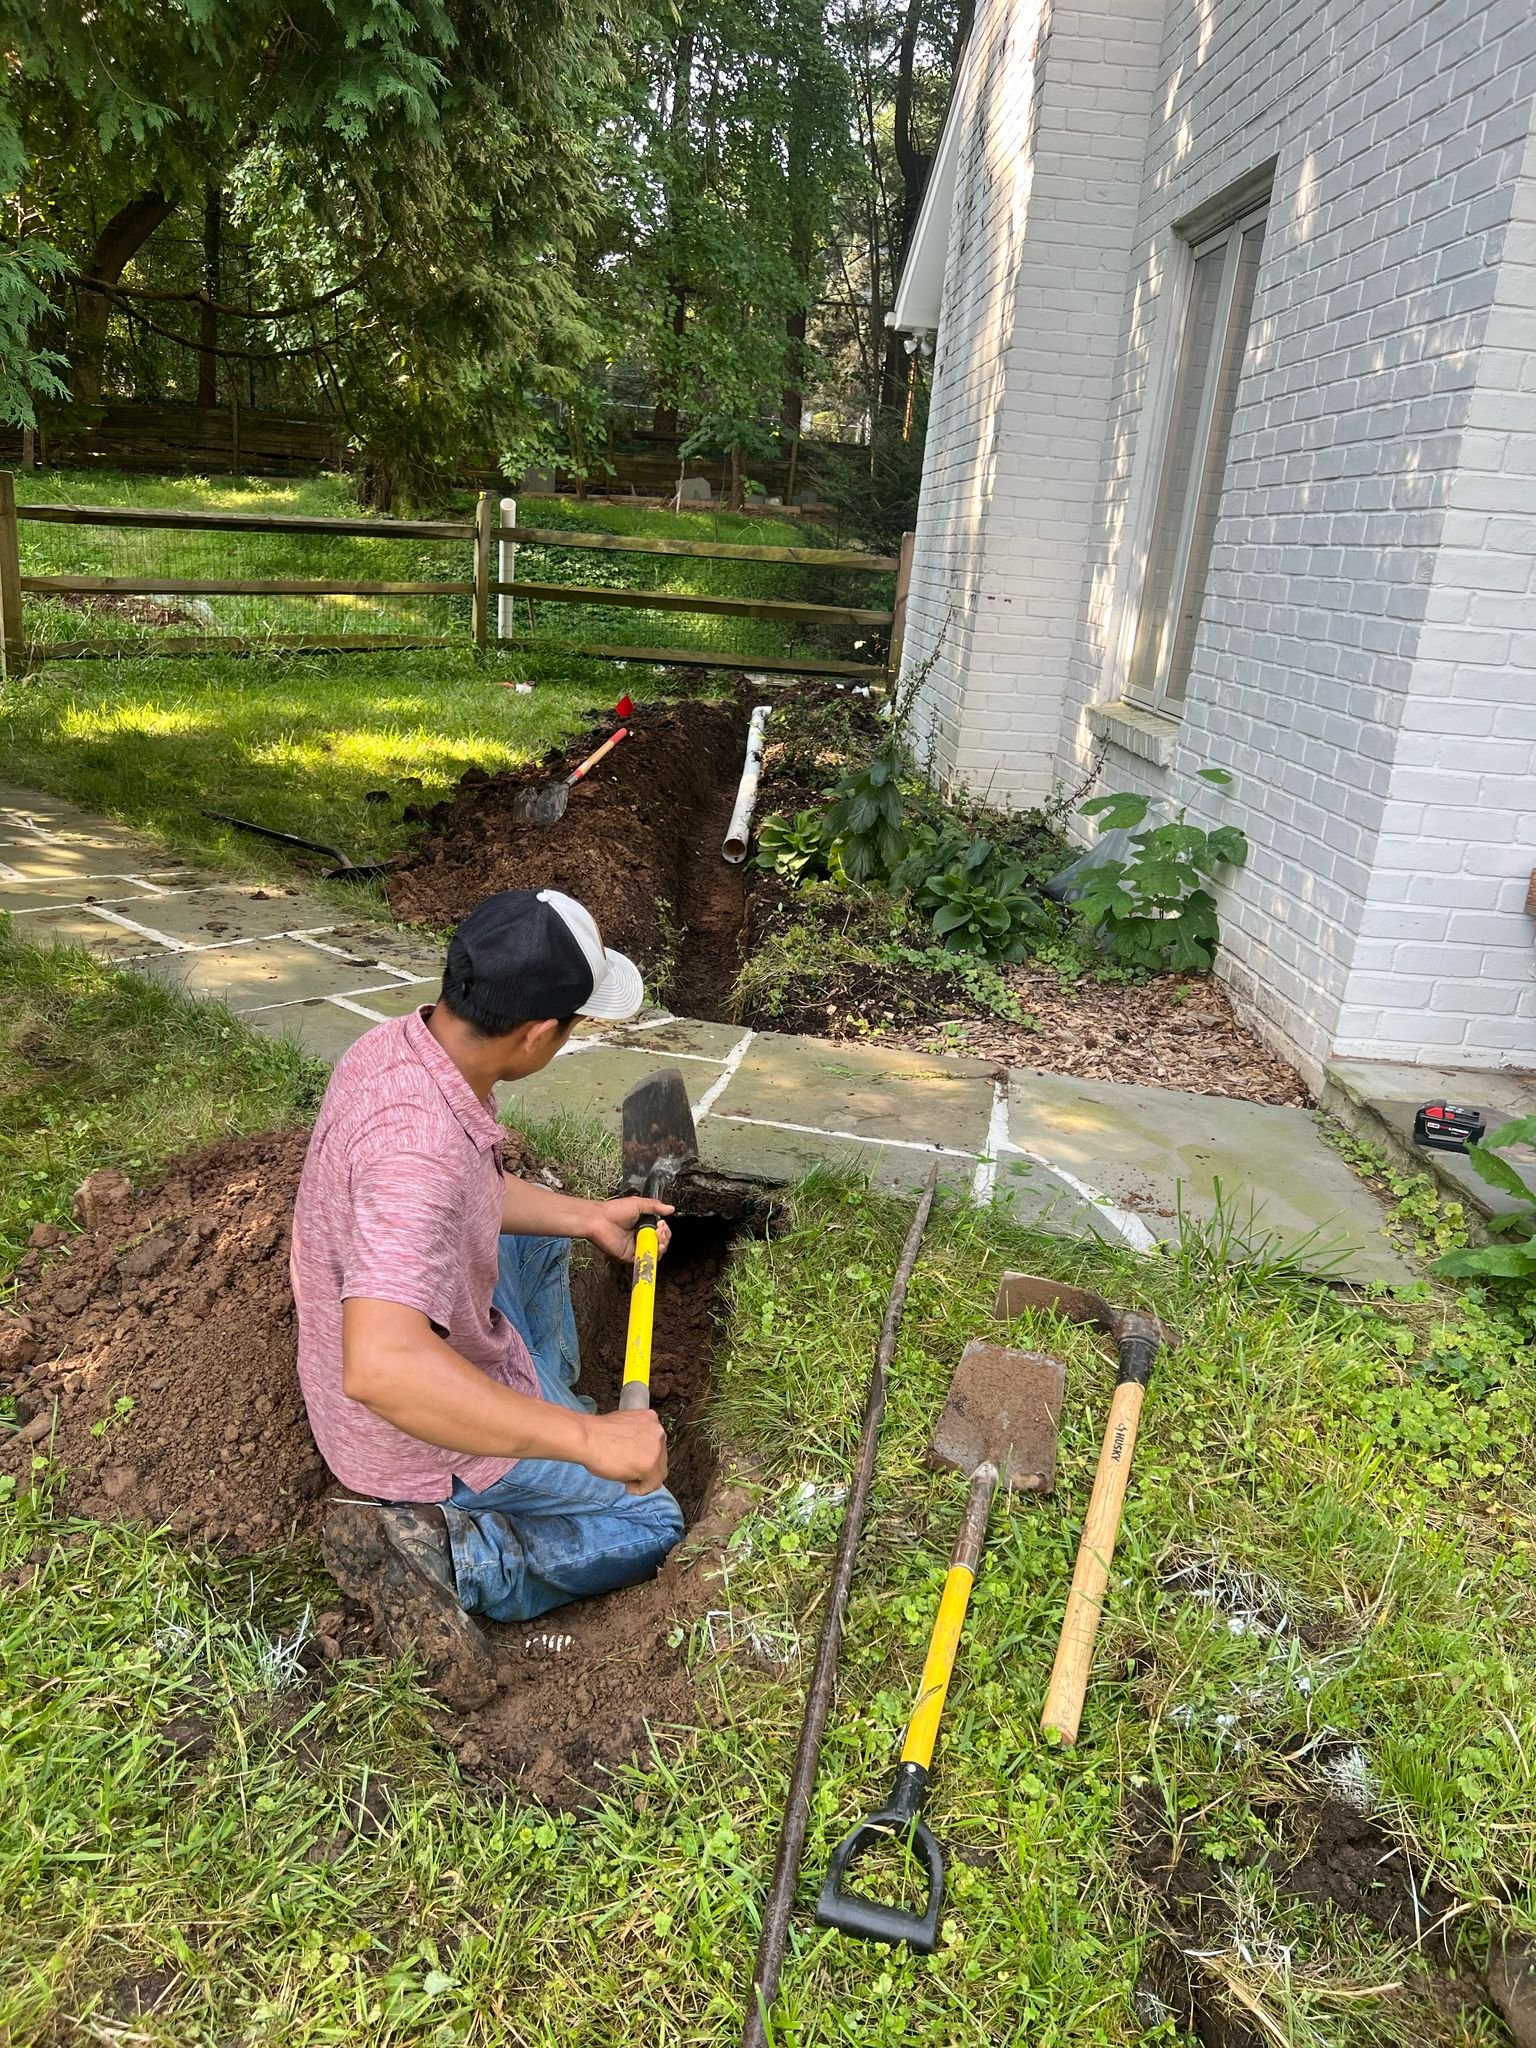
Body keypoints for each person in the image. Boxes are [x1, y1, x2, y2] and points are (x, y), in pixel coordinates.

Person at [291, 886, 682, 1705]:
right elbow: (383, 1369)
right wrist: (588, 1443)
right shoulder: (417, 1156)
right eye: (575, 1024)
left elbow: (470, 1192)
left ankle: (551, 1401)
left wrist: (586, 1218)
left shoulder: (402, 1048)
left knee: (538, 1236)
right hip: (415, 1441)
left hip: (424, 1353)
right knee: (651, 1520)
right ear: (538, 1033)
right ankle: (449, 1549)